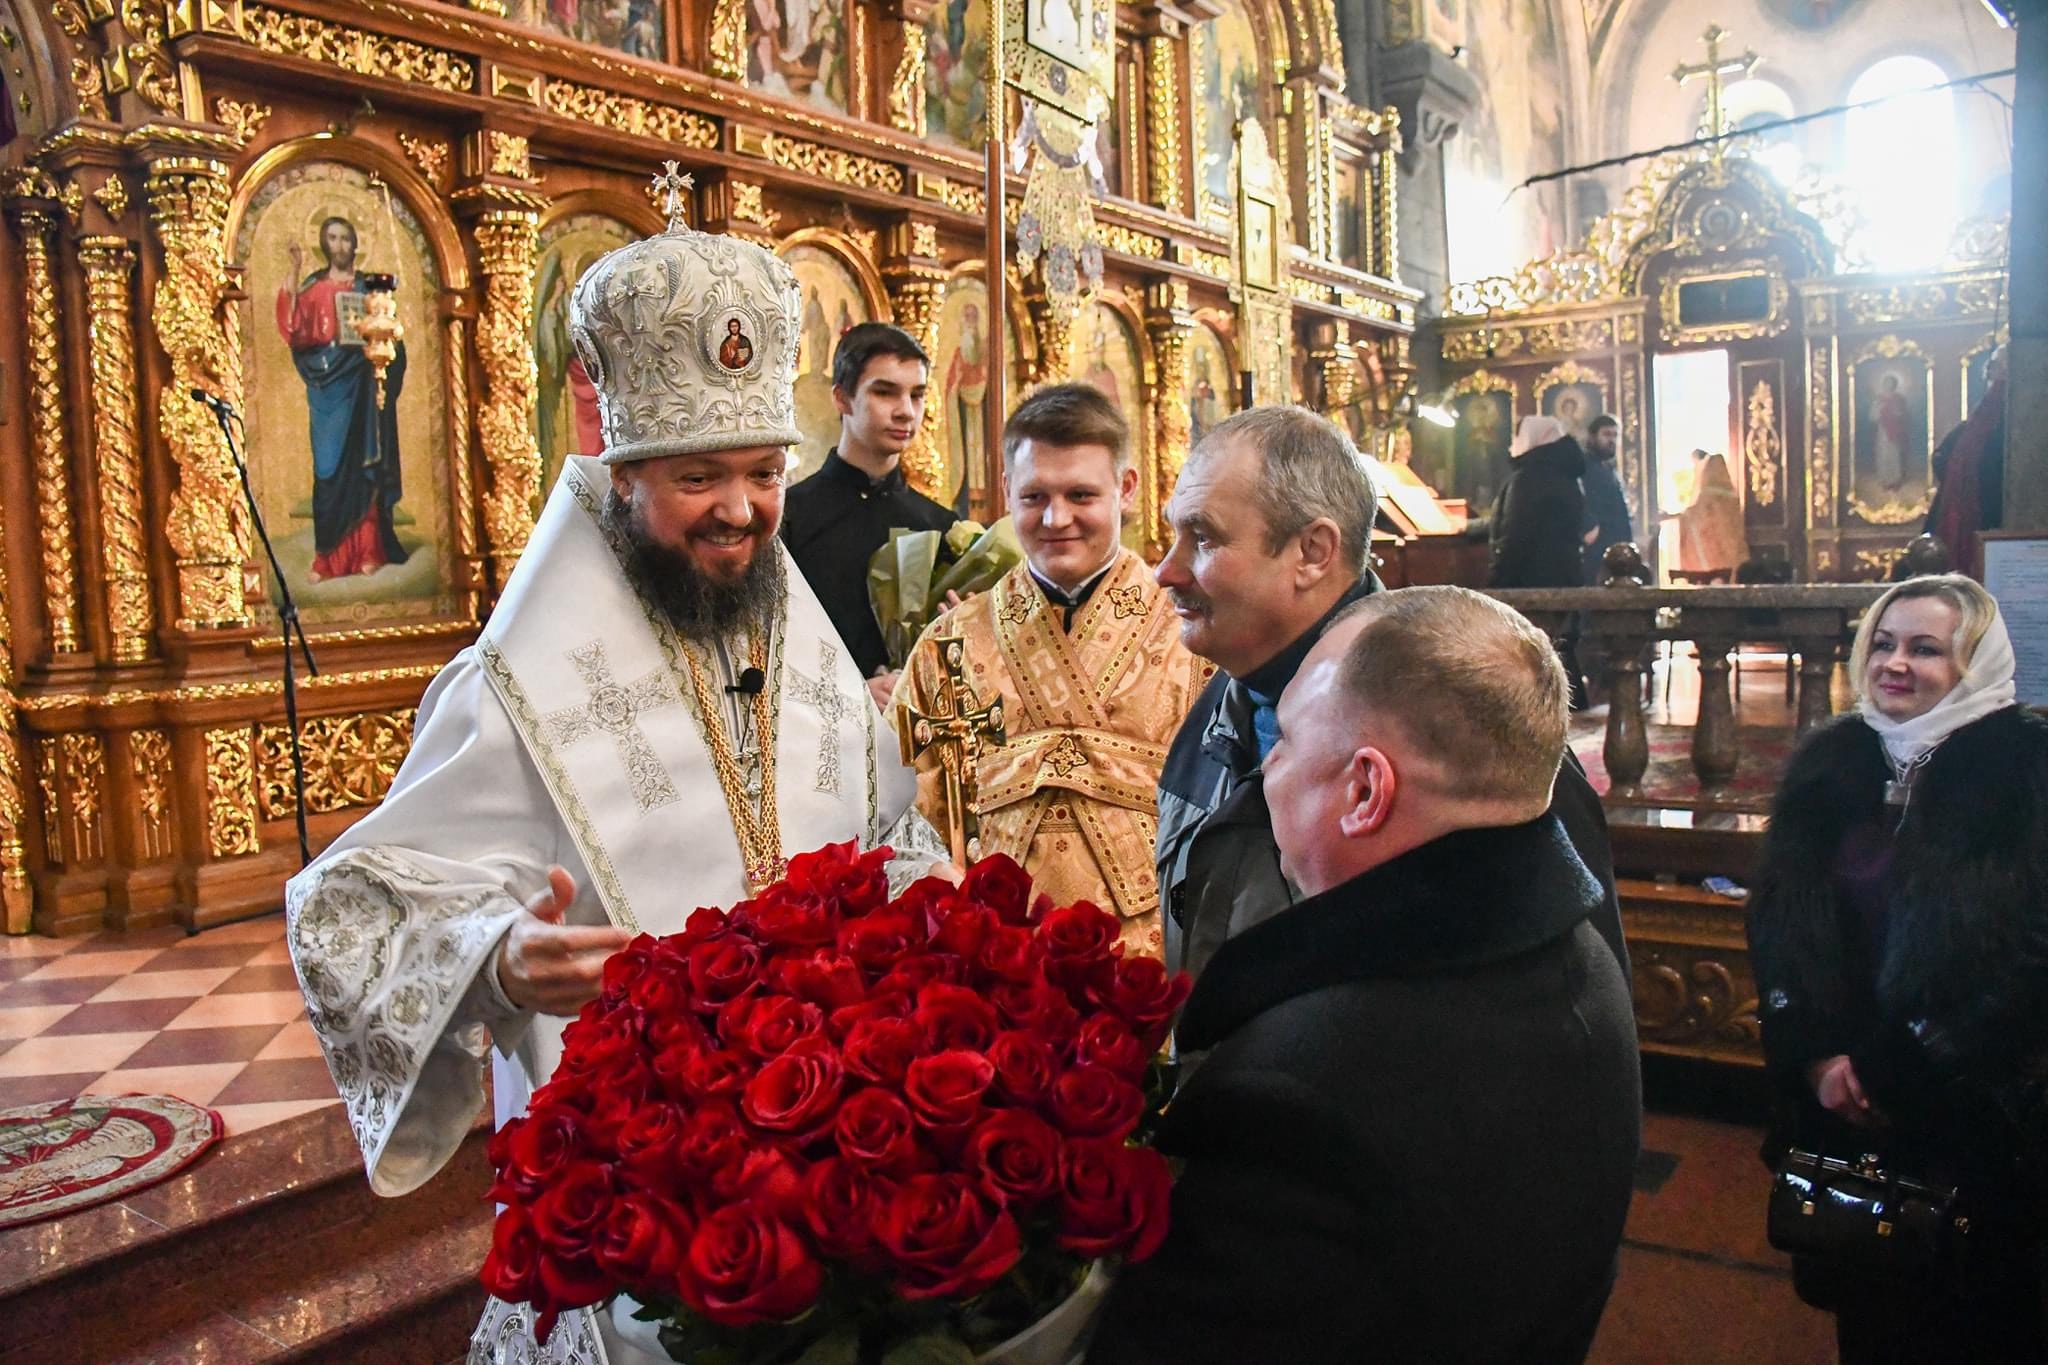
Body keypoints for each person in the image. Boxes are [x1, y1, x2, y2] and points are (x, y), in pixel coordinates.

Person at [284, 199, 944, 1365]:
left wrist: (923, 896)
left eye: (762, 472)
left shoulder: (799, 646)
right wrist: (496, 957)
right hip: (631, 1191)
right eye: (698, 476)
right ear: (623, 473)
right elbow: (344, 910)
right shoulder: (511, 686)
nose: (740, 509)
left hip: (816, 1169)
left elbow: (887, 832)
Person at [1088, 586, 1642, 1365]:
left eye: (1285, 741)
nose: (1267, 767)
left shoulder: (1294, 1096)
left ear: (1364, 791)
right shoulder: (1585, 962)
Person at [1152, 406, 1625, 983]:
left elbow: (1565, 995)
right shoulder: (1216, 704)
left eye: (1203, 538)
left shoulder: (1469, 724)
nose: (1165, 571)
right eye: (1174, 535)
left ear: (1312, 552)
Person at [1748, 574, 2048, 1363]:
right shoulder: (1833, 762)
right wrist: (1816, 1055)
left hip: (1977, 1109)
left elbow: (2027, 952)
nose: (1895, 663)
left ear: (1974, 663)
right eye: (1882, 643)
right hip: (1842, 1105)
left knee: (1982, 1317)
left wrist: (1894, 1067)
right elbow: (1781, 921)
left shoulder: (2024, 772)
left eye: (1925, 648)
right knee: (1873, 1315)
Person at [896, 384, 1212, 958]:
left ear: (1126, 489)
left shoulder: (1196, 635)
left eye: (1080, 494)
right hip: (998, 960)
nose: (1056, 518)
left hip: (1158, 961)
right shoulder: (948, 644)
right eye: (1034, 496)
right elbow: (901, 814)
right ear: (1007, 491)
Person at [781, 322, 957, 705]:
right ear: (842, 398)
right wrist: (851, 695)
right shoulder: (787, 518)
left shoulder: (943, 527)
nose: (906, 411)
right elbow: (769, 648)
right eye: (885, 392)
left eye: (917, 395)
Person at [276, 214, 410, 583]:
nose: (339, 245)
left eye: (345, 238)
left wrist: (384, 353)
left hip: (364, 384)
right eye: (332, 238)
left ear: (354, 244)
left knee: (366, 465)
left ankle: (368, 551)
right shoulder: (314, 288)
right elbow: (293, 329)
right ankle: (327, 559)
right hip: (329, 390)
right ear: (324, 243)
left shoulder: (371, 290)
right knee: (329, 469)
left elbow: (392, 340)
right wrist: (294, 269)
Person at [1488, 414, 1585, 590]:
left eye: (1519, 435)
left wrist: (1499, 582)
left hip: (1530, 581)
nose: (1515, 441)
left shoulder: (1529, 478)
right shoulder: (1566, 473)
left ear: (1532, 437)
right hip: (1564, 577)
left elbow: (1515, 534)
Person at [1579, 413, 1632, 583]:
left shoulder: (1609, 468)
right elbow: (1579, 501)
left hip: (1615, 548)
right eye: (1607, 434)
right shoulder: (1583, 466)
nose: (1612, 440)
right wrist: (1590, 527)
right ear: (1592, 436)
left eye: (1616, 435)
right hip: (1596, 549)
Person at [1677, 451, 1747, 577]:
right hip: (1733, 552)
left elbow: (1696, 518)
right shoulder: (1733, 497)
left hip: (1712, 554)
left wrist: (1684, 516)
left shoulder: (1707, 496)